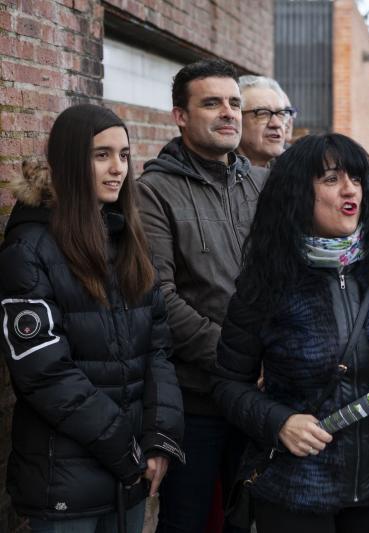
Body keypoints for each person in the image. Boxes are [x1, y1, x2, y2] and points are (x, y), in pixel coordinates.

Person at [212, 133, 369, 533]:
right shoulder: (268, 281)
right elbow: (227, 384)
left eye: (356, 178)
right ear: (297, 193)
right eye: (330, 179)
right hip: (298, 486)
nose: (350, 189)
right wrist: (279, 422)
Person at [0, 104, 185, 532]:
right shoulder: (28, 249)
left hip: (132, 473)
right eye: (101, 155)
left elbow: (159, 351)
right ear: (69, 160)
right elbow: (44, 374)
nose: (117, 168)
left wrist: (160, 438)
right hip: (64, 482)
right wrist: (126, 450)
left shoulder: (128, 242)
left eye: (123, 155)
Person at [136, 59, 267, 533]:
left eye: (234, 103)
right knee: (187, 522)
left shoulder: (258, 183)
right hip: (197, 402)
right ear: (180, 116)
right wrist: (240, 359)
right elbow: (159, 298)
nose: (228, 113)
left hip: (260, 398)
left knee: (248, 519)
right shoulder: (153, 191)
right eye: (211, 103)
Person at [237, 75, 295, 168]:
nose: (276, 124)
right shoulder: (220, 178)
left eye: (281, 113)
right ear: (237, 119)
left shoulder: (295, 172)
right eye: (263, 113)